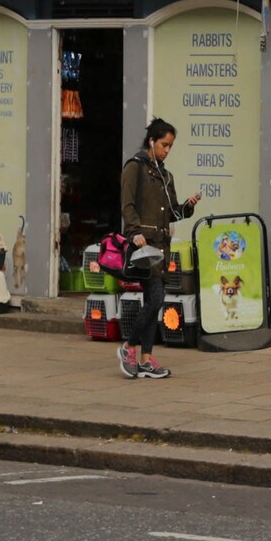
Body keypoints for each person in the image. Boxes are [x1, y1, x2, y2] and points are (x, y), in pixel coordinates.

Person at [118, 118, 199, 380]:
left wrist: (188, 207)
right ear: (151, 141)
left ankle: (146, 359)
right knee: (156, 299)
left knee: (153, 302)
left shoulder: (166, 176)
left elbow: (172, 212)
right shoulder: (134, 167)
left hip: (162, 247)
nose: (167, 150)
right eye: (164, 144)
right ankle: (129, 347)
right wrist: (134, 232)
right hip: (144, 247)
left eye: (171, 146)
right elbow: (127, 205)